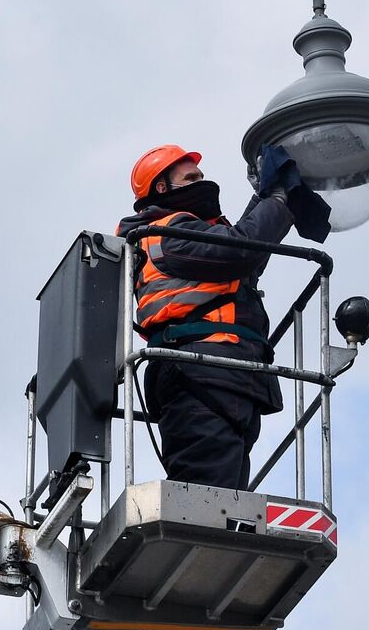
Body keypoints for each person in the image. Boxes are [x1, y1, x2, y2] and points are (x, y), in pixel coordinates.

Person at [115, 143, 331, 490]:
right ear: (161, 188)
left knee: (224, 499)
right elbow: (241, 249)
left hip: (225, 376)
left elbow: (243, 259)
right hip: (199, 375)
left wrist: (263, 198)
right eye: (191, 177)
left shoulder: (188, 236)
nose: (202, 181)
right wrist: (277, 195)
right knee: (207, 501)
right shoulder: (165, 234)